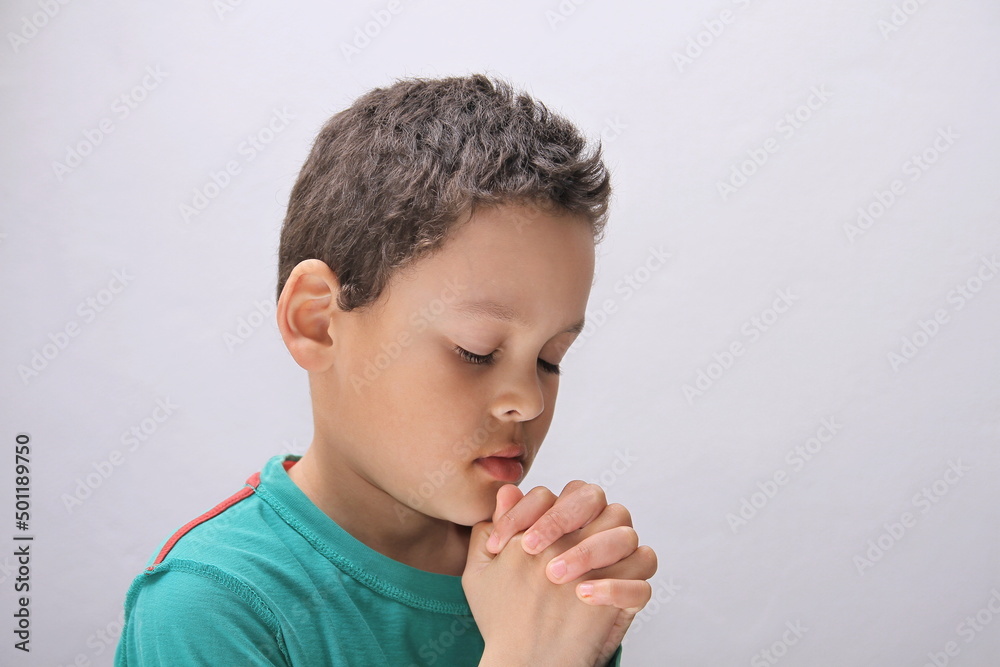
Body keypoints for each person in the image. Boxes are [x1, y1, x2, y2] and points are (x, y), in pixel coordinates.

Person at [114, 73, 657, 666]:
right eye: (476, 351)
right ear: (318, 321)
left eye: (550, 359)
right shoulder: (210, 608)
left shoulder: (543, 588)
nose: (528, 401)